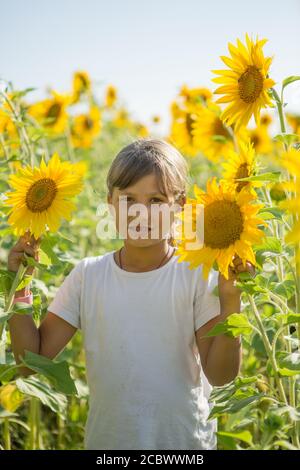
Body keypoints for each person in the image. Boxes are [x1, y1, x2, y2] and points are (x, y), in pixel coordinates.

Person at [8, 138, 254, 450]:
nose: (141, 213)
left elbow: (220, 374)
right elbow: (30, 362)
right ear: (110, 202)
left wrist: (231, 299)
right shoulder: (88, 276)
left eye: (156, 201)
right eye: (129, 199)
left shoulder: (194, 275)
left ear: (180, 206)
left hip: (184, 444)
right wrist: (20, 286)